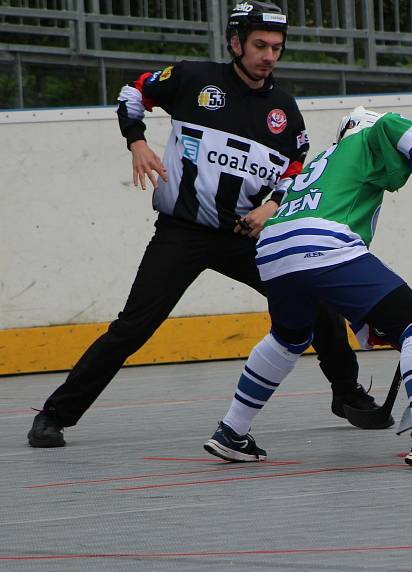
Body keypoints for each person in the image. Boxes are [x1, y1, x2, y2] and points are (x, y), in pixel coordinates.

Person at [26, 1, 384, 449]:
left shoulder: (285, 111)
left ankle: (346, 393)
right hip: (183, 233)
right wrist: (136, 141)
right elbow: (132, 93)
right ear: (235, 43)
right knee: (132, 328)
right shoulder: (193, 79)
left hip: (244, 237)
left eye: (276, 47)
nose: (269, 56)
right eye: (259, 46)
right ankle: (54, 415)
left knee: (315, 303)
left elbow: (296, 167)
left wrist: (271, 205)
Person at [202, 106, 412, 468]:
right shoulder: (363, 139)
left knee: (288, 337)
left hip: (273, 248)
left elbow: (330, 276)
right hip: (321, 240)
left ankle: (232, 430)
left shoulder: (318, 164)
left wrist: (365, 321)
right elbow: (392, 125)